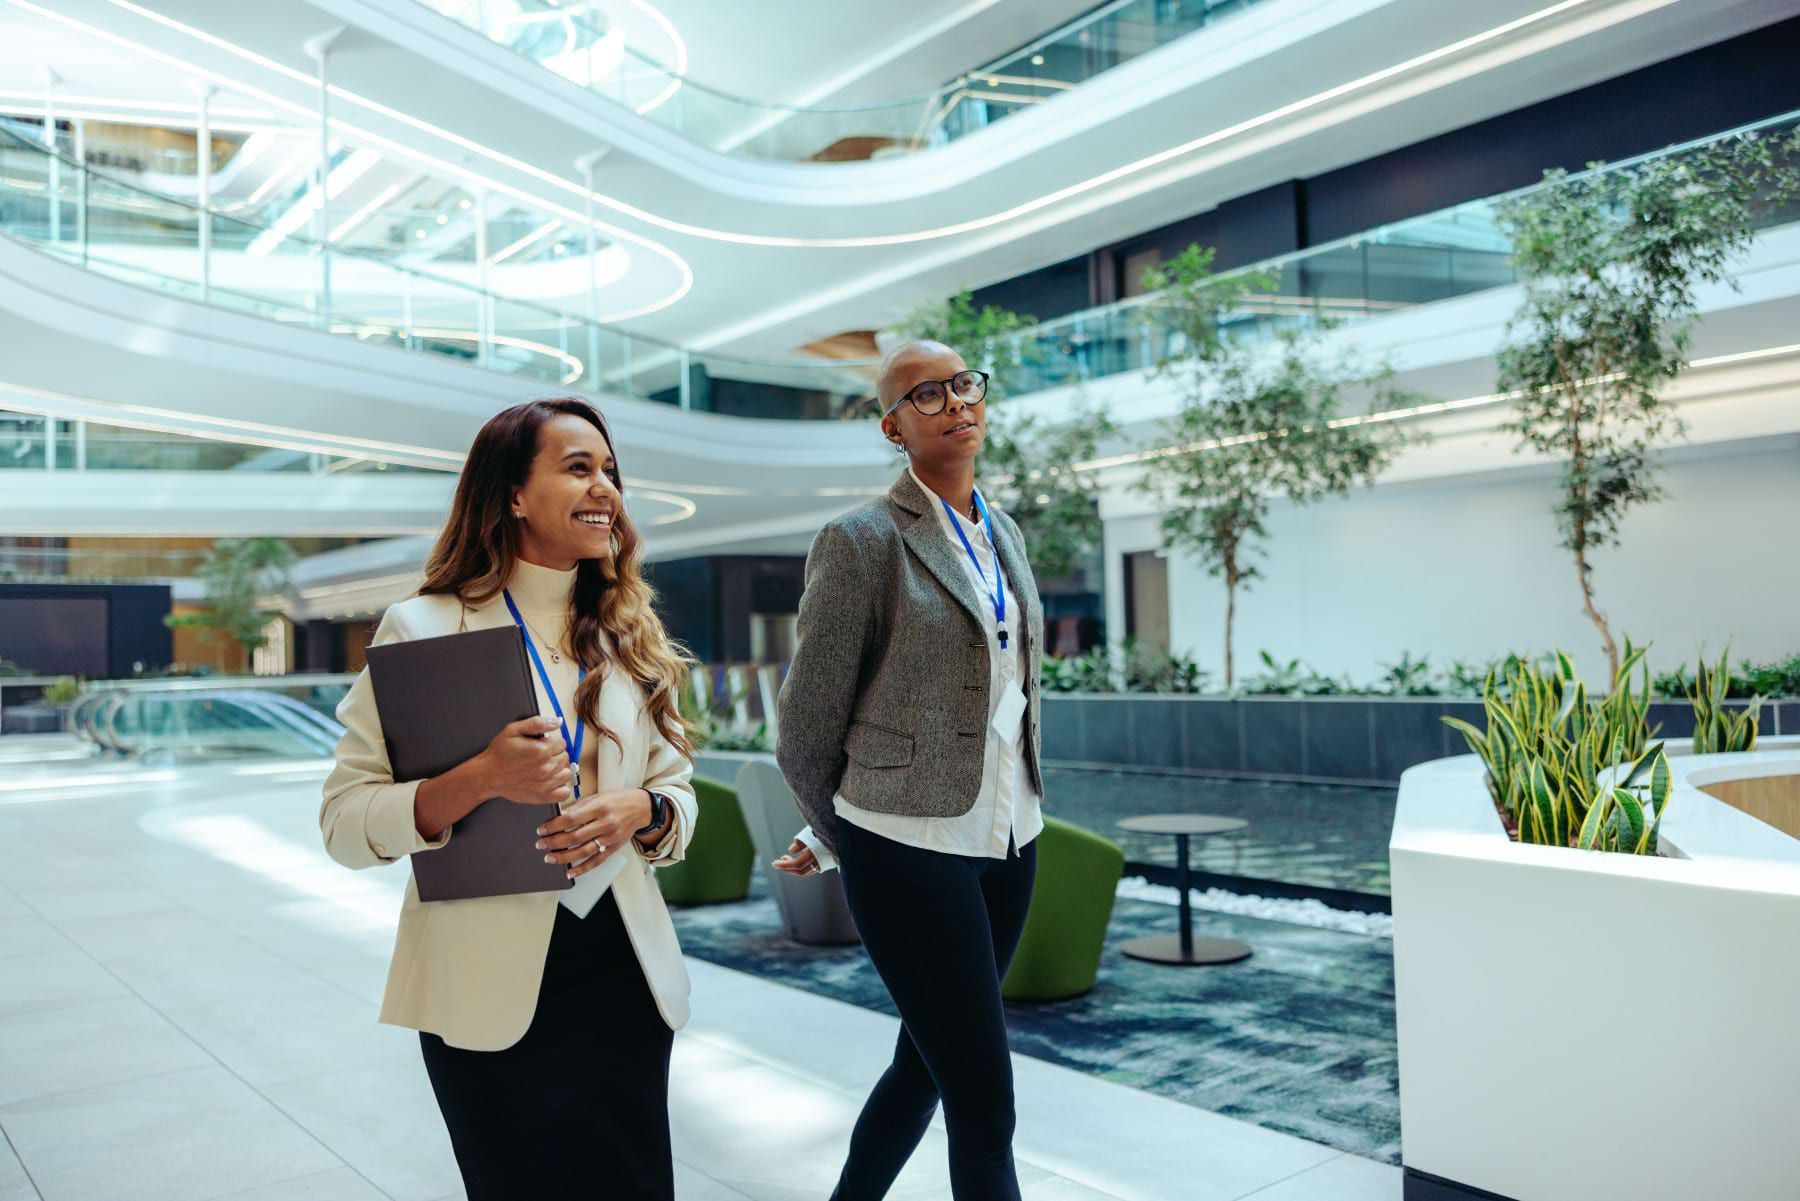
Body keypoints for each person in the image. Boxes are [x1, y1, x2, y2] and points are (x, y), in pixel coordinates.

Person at [320, 398, 697, 1201]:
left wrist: (645, 812)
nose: (606, 488)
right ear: (514, 494)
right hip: (485, 988)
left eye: (610, 470)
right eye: (578, 467)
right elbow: (345, 824)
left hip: (623, 973)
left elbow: (676, 793)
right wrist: (481, 777)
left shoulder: (627, 632)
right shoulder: (421, 628)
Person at [773, 340, 1046, 1201]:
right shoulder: (861, 541)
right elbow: (805, 723)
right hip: (905, 843)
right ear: (893, 427)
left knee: (925, 1061)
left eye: (965, 384)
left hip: (1009, 830)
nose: (955, 402)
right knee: (984, 1101)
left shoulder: (1004, 532)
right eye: (926, 394)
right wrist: (841, 830)